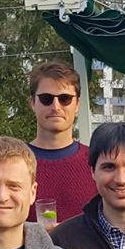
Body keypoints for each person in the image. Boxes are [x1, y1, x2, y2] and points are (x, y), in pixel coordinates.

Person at [22, 61, 96, 226]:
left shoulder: (98, 163)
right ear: (33, 103)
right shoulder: (13, 164)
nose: (56, 107)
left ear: (77, 104)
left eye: (65, 99)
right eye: (46, 99)